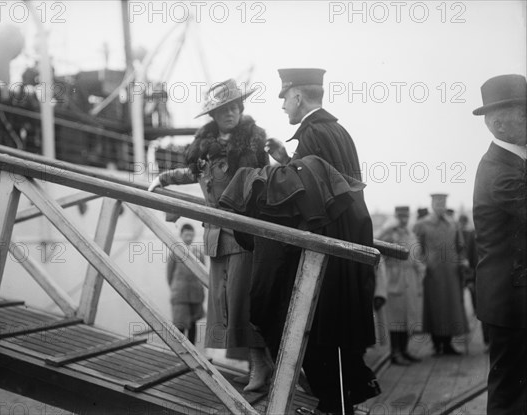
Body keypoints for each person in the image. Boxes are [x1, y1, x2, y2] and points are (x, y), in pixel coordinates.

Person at [262, 68, 379, 414]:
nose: (283, 106)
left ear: (298, 96)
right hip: (349, 238)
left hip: (325, 244)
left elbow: (307, 199)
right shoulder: (338, 132)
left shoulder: (312, 134)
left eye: (284, 97)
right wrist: (288, 161)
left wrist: (274, 175)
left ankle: (332, 405)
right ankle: (342, 402)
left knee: (319, 320)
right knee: (343, 320)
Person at [149, 79, 271, 392]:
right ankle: (258, 364)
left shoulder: (254, 146)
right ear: (213, 115)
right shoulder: (205, 147)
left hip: (243, 235)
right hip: (215, 237)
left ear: (240, 108)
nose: (230, 112)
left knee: (243, 302)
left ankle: (261, 365)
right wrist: (163, 179)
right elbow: (192, 174)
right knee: (224, 304)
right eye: (223, 109)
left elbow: (267, 182)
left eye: (234, 106)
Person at [472, 74, 526, 415]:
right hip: (511, 301)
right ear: (499, 122)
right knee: (509, 393)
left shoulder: (514, 162)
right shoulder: (499, 171)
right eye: (526, 114)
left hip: (515, 296)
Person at [413, 193, 468, 356]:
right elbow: (416, 248)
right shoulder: (422, 224)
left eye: (443, 202)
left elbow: (461, 247)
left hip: (451, 273)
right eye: (437, 202)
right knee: (435, 307)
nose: (440, 205)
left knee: (451, 307)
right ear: (432, 204)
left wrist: (462, 262)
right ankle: (437, 344)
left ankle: (448, 343)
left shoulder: (453, 224)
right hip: (432, 274)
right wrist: (423, 265)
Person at [377, 206, 424, 366]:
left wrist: (420, 272)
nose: (404, 219)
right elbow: (376, 243)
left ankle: (404, 350)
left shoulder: (410, 233)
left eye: (406, 216)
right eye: (400, 216)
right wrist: (389, 227)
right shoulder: (389, 232)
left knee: (408, 317)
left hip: (409, 278)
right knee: (395, 319)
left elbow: (415, 255)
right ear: (396, 216)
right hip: (394, 276)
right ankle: (395, 353)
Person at [167, 224, 205, 344]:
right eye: (186, 234)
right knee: (180, 323)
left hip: (195, 294)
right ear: (181, 235)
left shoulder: (198, 253)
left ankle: (192, 352)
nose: (189, 237)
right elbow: (169, 274)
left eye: (191, 234)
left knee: (193, 324)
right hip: (180, 295)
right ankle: (180, 352)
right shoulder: (174, 253)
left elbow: (203, 273)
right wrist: (176, 288)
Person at [458, 214, 489, 348]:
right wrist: (470, 280)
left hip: (502, 282)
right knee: (485, 312)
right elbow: (470, 259)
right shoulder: (473, 235)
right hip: (480, 280)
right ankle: (488, 341)